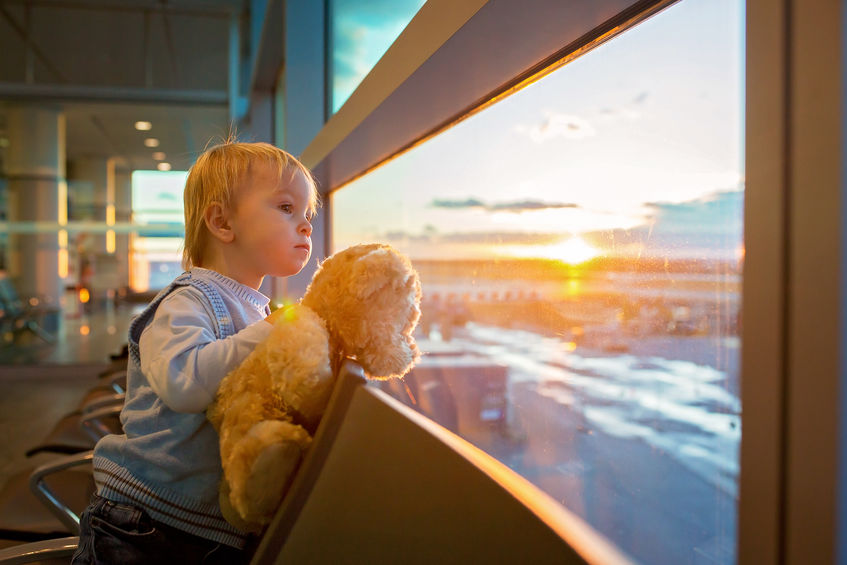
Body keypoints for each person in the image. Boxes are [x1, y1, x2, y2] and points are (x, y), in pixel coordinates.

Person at [72, 141, 319, 564]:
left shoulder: (254, 308)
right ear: (222, 222)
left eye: (308, 215)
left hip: (202, 527)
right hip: (145, 523)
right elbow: (184, 383)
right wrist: (271, 332)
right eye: (286, 208)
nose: (306, 227)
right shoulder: (188, 301)